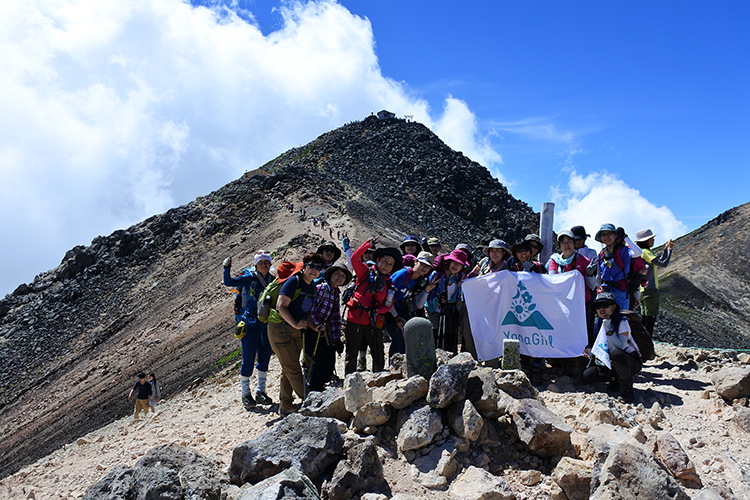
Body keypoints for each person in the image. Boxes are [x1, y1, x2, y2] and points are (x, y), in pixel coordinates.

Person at [267, 253, 325, 416]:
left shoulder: (311, 286)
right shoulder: (294, 281)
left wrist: (314, 326)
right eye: (312, 266)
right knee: (293, 369)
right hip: (281, 329)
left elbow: (305, 311)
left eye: (318, 268)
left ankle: (285, 404)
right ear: (304, 266)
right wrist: (295, 323)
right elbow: (281, 306)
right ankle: (309, 401)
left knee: (288, 368)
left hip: (295, 330)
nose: (314, 270)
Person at [222, 251, 275, 410]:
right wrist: (226, 268)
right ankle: (245, 394)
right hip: (250, 323)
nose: (264, 264)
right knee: (248, 357)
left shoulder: (273, 280)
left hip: (266, 324)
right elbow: (229, 282)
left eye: (267, 262)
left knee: (265, 356)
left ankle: (261, 391)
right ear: (256, 264)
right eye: (261, 262)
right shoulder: (249, 278)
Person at [344, 239, 402, 375]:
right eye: (385, 262)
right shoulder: (364, 272)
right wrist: (367, 245)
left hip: (374, 320)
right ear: (378, 260)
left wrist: (378, 310)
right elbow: (354, 258)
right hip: (355, 318)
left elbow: (388, 304)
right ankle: (349, 379)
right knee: (351, 352)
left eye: (391, 264)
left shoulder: (390, 284)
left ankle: (379, 378)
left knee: (378, 351)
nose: (387, 266)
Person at [583, 292, 642, 401]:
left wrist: (608, 328)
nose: (601, 309)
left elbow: (620, 345)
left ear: (613, 307)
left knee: (616, 353)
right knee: (588, 376)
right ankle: (614, 380)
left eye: (605, 306)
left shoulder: (621, 321)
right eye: (598, 307)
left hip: (630, 360)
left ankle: (627, 387)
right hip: (610, 360)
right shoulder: (598, 322)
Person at [305, 263, 351, 393]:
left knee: (330, 358)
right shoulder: (322, 289)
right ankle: (313, 387)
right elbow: (311, 310)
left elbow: (335, 317)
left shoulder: (336, 293)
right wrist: (315, 325)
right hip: (313, 329)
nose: (339, 277)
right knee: (321, 359)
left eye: (342, 276)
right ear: (330, 275)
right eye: (337, 274)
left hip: (324, 330)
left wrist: (336, 339)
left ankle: (321, 385)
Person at [387, 251, 436, 358]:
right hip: (390, 310)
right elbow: (388, 297)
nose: (424, 268)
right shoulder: (402, 274)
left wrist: (427, 290)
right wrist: (396, 317)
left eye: (427, 266)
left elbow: (418, 305)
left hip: (402, 309)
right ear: (415, 262)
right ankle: (393, 366)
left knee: (405, 338)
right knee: (398, 338)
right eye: (422, 264)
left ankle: (402, 365)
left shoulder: (421, 280)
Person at [427, 249, 468, 354]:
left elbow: (461, 297)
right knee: (435, 334)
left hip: (451, 310)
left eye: (459, 264)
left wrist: (460, 287)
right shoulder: (437, 274)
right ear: (449, 262)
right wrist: (437, 300)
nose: (455, 266)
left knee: (450, 335)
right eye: (454, 262)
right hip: (434, 310)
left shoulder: (460, 278)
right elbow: (428, 292)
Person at [635, 229, 675, 335]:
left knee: (644, 319)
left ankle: (642, 344)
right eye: (651, 238)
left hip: (643, 290)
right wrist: (670, 250)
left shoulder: (641, 252)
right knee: (650, 320)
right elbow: (663, 263)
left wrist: (665, 249)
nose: (653, 240)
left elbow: (658, 261)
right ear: (645, 240)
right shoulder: (646, 252)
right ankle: (647, 346)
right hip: (651, 290)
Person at [594, 223, 631, 311]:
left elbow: (638, 253)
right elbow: (599, 275)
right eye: (603, 234)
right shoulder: (602, 254)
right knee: (606, 320)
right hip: (605, 291)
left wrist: (626, 238)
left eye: (609, 233)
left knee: (621, 320)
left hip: (620, 292)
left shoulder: (624, 251)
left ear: (615, 235)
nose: (607, 237)